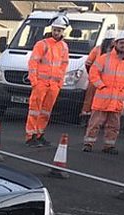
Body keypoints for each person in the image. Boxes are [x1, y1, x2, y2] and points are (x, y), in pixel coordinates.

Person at [83, 30, 124, 155]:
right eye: (122, 43)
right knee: (95, 123)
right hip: (102, 98)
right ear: (115, 43)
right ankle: (88, 143)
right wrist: (101, 86)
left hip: (118, 99)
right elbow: (93, 73)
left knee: (114, 125)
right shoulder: (104, 58)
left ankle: (109, 145)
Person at [26, 15, 70, 147]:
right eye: (55, 30)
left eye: (59, 30)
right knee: (35, 110)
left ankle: (39, 134)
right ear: (52, 29)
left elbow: (64, 66)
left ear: (63, 31)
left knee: (46, 111)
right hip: (41, 83)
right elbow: (33, 63)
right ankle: (30, 136)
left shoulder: (63, 47)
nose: (57, 32)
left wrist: (59, 83)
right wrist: (34, 81)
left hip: (53, 85)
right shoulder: (43, 44)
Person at [81, 29, 117, 117]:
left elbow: (88, 63)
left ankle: (90, 116)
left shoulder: (99, 49)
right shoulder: (112, 51)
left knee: (92, 99)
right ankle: (87, 115)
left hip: (100, 80)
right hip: (100, 80)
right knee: (91, 99)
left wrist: (92, 74)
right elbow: (88, 63)